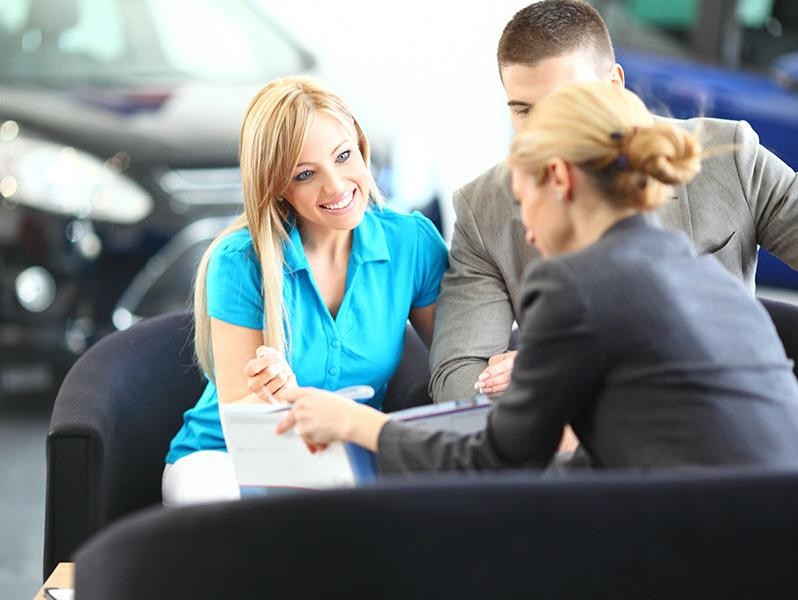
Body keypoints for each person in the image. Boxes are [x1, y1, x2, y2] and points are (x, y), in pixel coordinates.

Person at [276, 81, 798, 473]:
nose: (525, 230)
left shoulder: (575, 285)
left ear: (560, 180)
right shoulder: (701, 274)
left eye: (524, 203)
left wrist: (356, 423)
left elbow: (496, 461)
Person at [430, 0, 798, 404]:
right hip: (584, 454)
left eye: (565, 107)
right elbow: (458, 384)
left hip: (720, 421)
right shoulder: (483, 211)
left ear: (614, 87)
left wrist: (558, 368)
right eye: (523, 111)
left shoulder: (728, 157)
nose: (544, 132)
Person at [161, 76, 448, 505]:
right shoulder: (241, 260)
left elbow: (456, 362)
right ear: (277, 184)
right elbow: (241, 413)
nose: (335, 186)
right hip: (224, 458)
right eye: (306, 174)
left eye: (343, 155)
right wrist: (275, 397)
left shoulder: (412, 243)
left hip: (343, 457)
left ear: (361, 145)